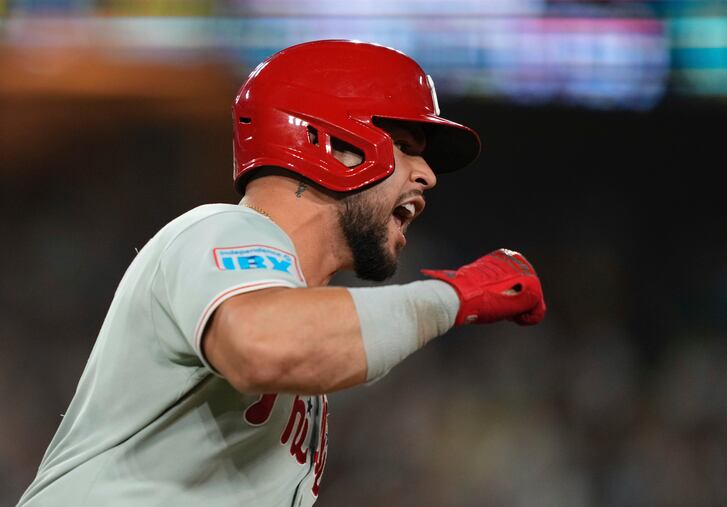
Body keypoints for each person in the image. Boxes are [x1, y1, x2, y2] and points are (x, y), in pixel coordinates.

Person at [18, 39, 546, 507]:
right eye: (406, 147)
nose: (427, 175)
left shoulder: (296, 317)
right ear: (334, 144)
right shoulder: (221, 229)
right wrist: (455, 296)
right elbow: (261, 344)